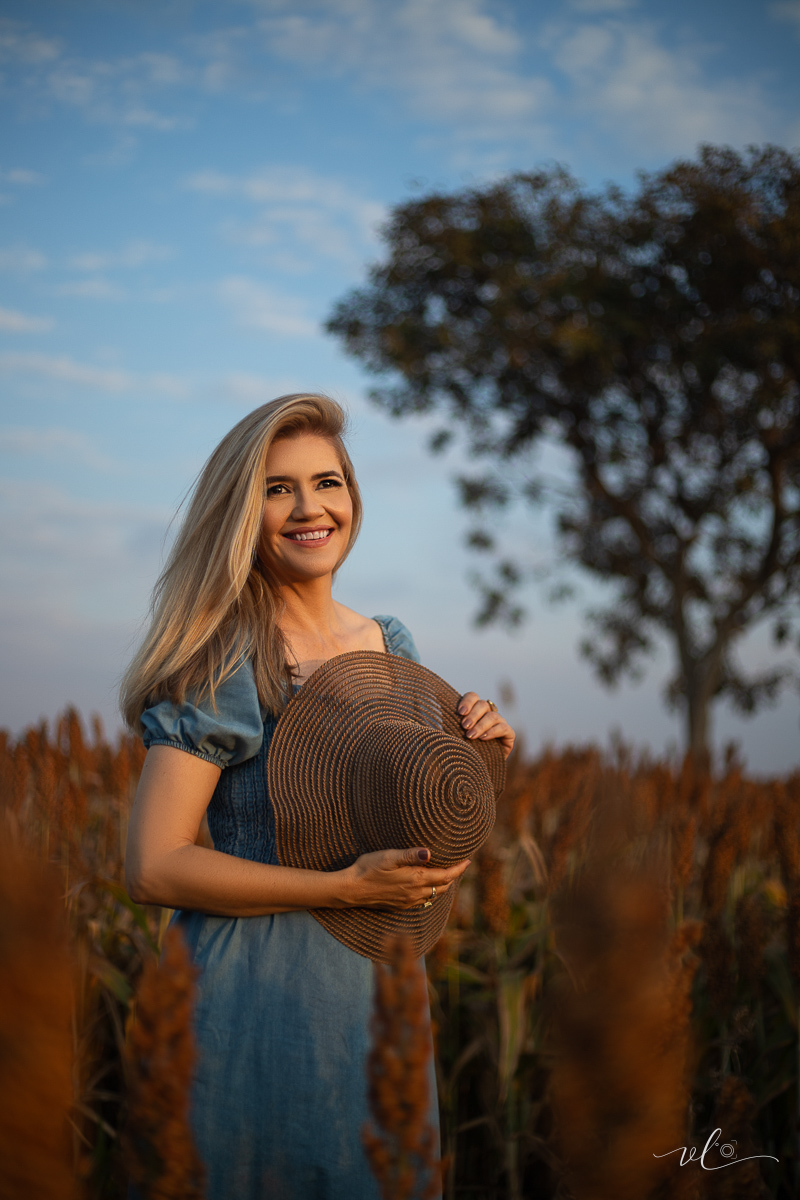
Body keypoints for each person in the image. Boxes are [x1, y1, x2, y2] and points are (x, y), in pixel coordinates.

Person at [121, 393, 515, 1200]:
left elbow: (415, 846)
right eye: (278, 489)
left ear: (352, 497)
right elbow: (153, 867)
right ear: (244, 513)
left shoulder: (390, 645)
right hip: (251, 998)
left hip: (374, 998)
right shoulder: (225, 658)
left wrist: (477, 759)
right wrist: (343, 889)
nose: (310, 509)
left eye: (326, 482)